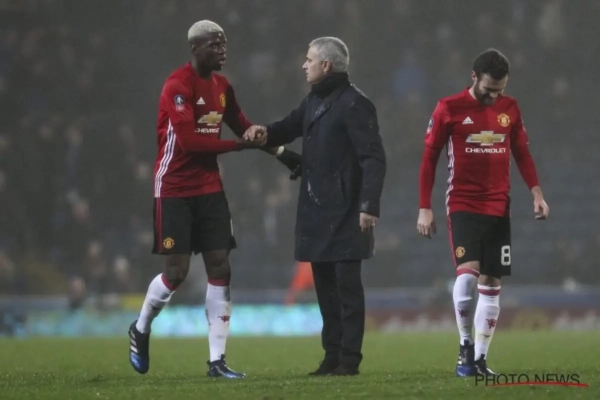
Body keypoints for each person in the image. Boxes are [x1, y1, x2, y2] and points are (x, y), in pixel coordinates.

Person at [128, 20, 300, 379]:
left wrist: (283, 153)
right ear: (195, 48)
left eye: (224, 45)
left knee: (220, 266)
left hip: (209, 188)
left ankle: (216, 362)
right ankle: (140, 327)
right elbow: (190, 143)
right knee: (176, 274)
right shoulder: (178, 86)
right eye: (214, 45)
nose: (222, 51)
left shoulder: (222, 87)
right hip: (174, 187)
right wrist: (240, 146)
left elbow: (244, 127)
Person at [245, 37, 386, 376]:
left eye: (309, 60)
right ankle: (332, 356)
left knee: (347, 287)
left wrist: (368, 205)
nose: (303, 65)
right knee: (325, 288)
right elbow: (288, 127)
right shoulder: (314, 100)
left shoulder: (355, 104)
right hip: (318, 208)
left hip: (348, 210)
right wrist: (265, 133)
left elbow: (373, 158)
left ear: (326, 65)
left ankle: (349, 359)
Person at [416, 48, 550, 377]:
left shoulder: (510, 108)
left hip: (499, 206)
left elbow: (522, 152)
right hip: (463, 203)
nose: (494, 96)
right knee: (468, 274)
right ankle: (464, 346)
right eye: (489, 89)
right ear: (473, 77)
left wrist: (536, 193)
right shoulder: (449, 108)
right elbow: (429, 158)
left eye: (500, 90)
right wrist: (424, 207)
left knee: (492, 281)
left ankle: (479, 359)